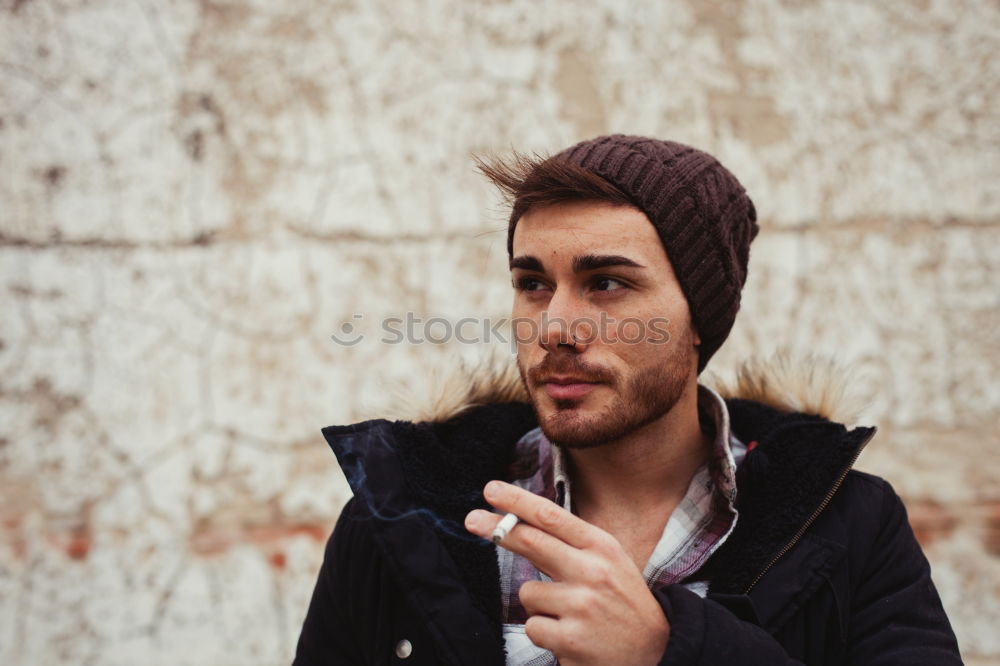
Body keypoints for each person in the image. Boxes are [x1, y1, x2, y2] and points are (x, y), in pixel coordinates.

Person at [293, 135, 962, 665]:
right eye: (532, 283)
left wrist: (669, 648)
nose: (554, 327)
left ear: (699, 317)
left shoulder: (850, 522)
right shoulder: (401, 514)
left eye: (607, 283)